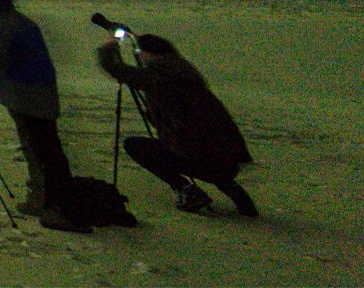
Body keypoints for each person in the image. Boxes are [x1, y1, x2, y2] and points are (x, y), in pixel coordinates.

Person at [0, 0, 87, 233]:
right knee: (46, 148)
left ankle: (53, 205)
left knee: (41, 149)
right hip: (37, 88)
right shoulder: (13, 18)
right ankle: (47, 201)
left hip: (26, 93)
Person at [97, 32, 257, 216]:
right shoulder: (184, 71)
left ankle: (185, 189)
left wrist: (110, 47)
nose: (139, 55)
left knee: (135, 146)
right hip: (227, 157)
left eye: (141, 51)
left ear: (150, 54)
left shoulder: (159, 76)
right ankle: (233, 190)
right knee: (204, 148)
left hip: (196, 154)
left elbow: (117, 69)